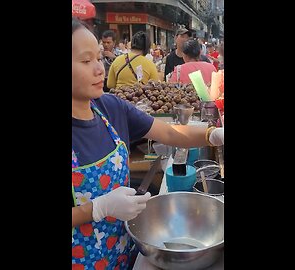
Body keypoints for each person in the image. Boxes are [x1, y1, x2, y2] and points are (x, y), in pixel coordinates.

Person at [72, 17, 224, 269]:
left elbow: (169, 132)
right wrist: (98, 208)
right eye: (86, 61)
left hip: (124, 251)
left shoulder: (110, 107)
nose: (99, 68)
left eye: (99, 58)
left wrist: (211, 134)